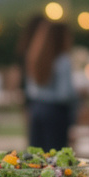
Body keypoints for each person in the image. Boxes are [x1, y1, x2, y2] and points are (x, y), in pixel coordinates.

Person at [23, 20, 78, 151]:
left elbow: (31, 90)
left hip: (36, 109)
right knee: (55, 158)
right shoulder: (63, 60)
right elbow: (64, 95)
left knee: (36, 156)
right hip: (55, 114)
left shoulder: (35, 57)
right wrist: (79, 94)